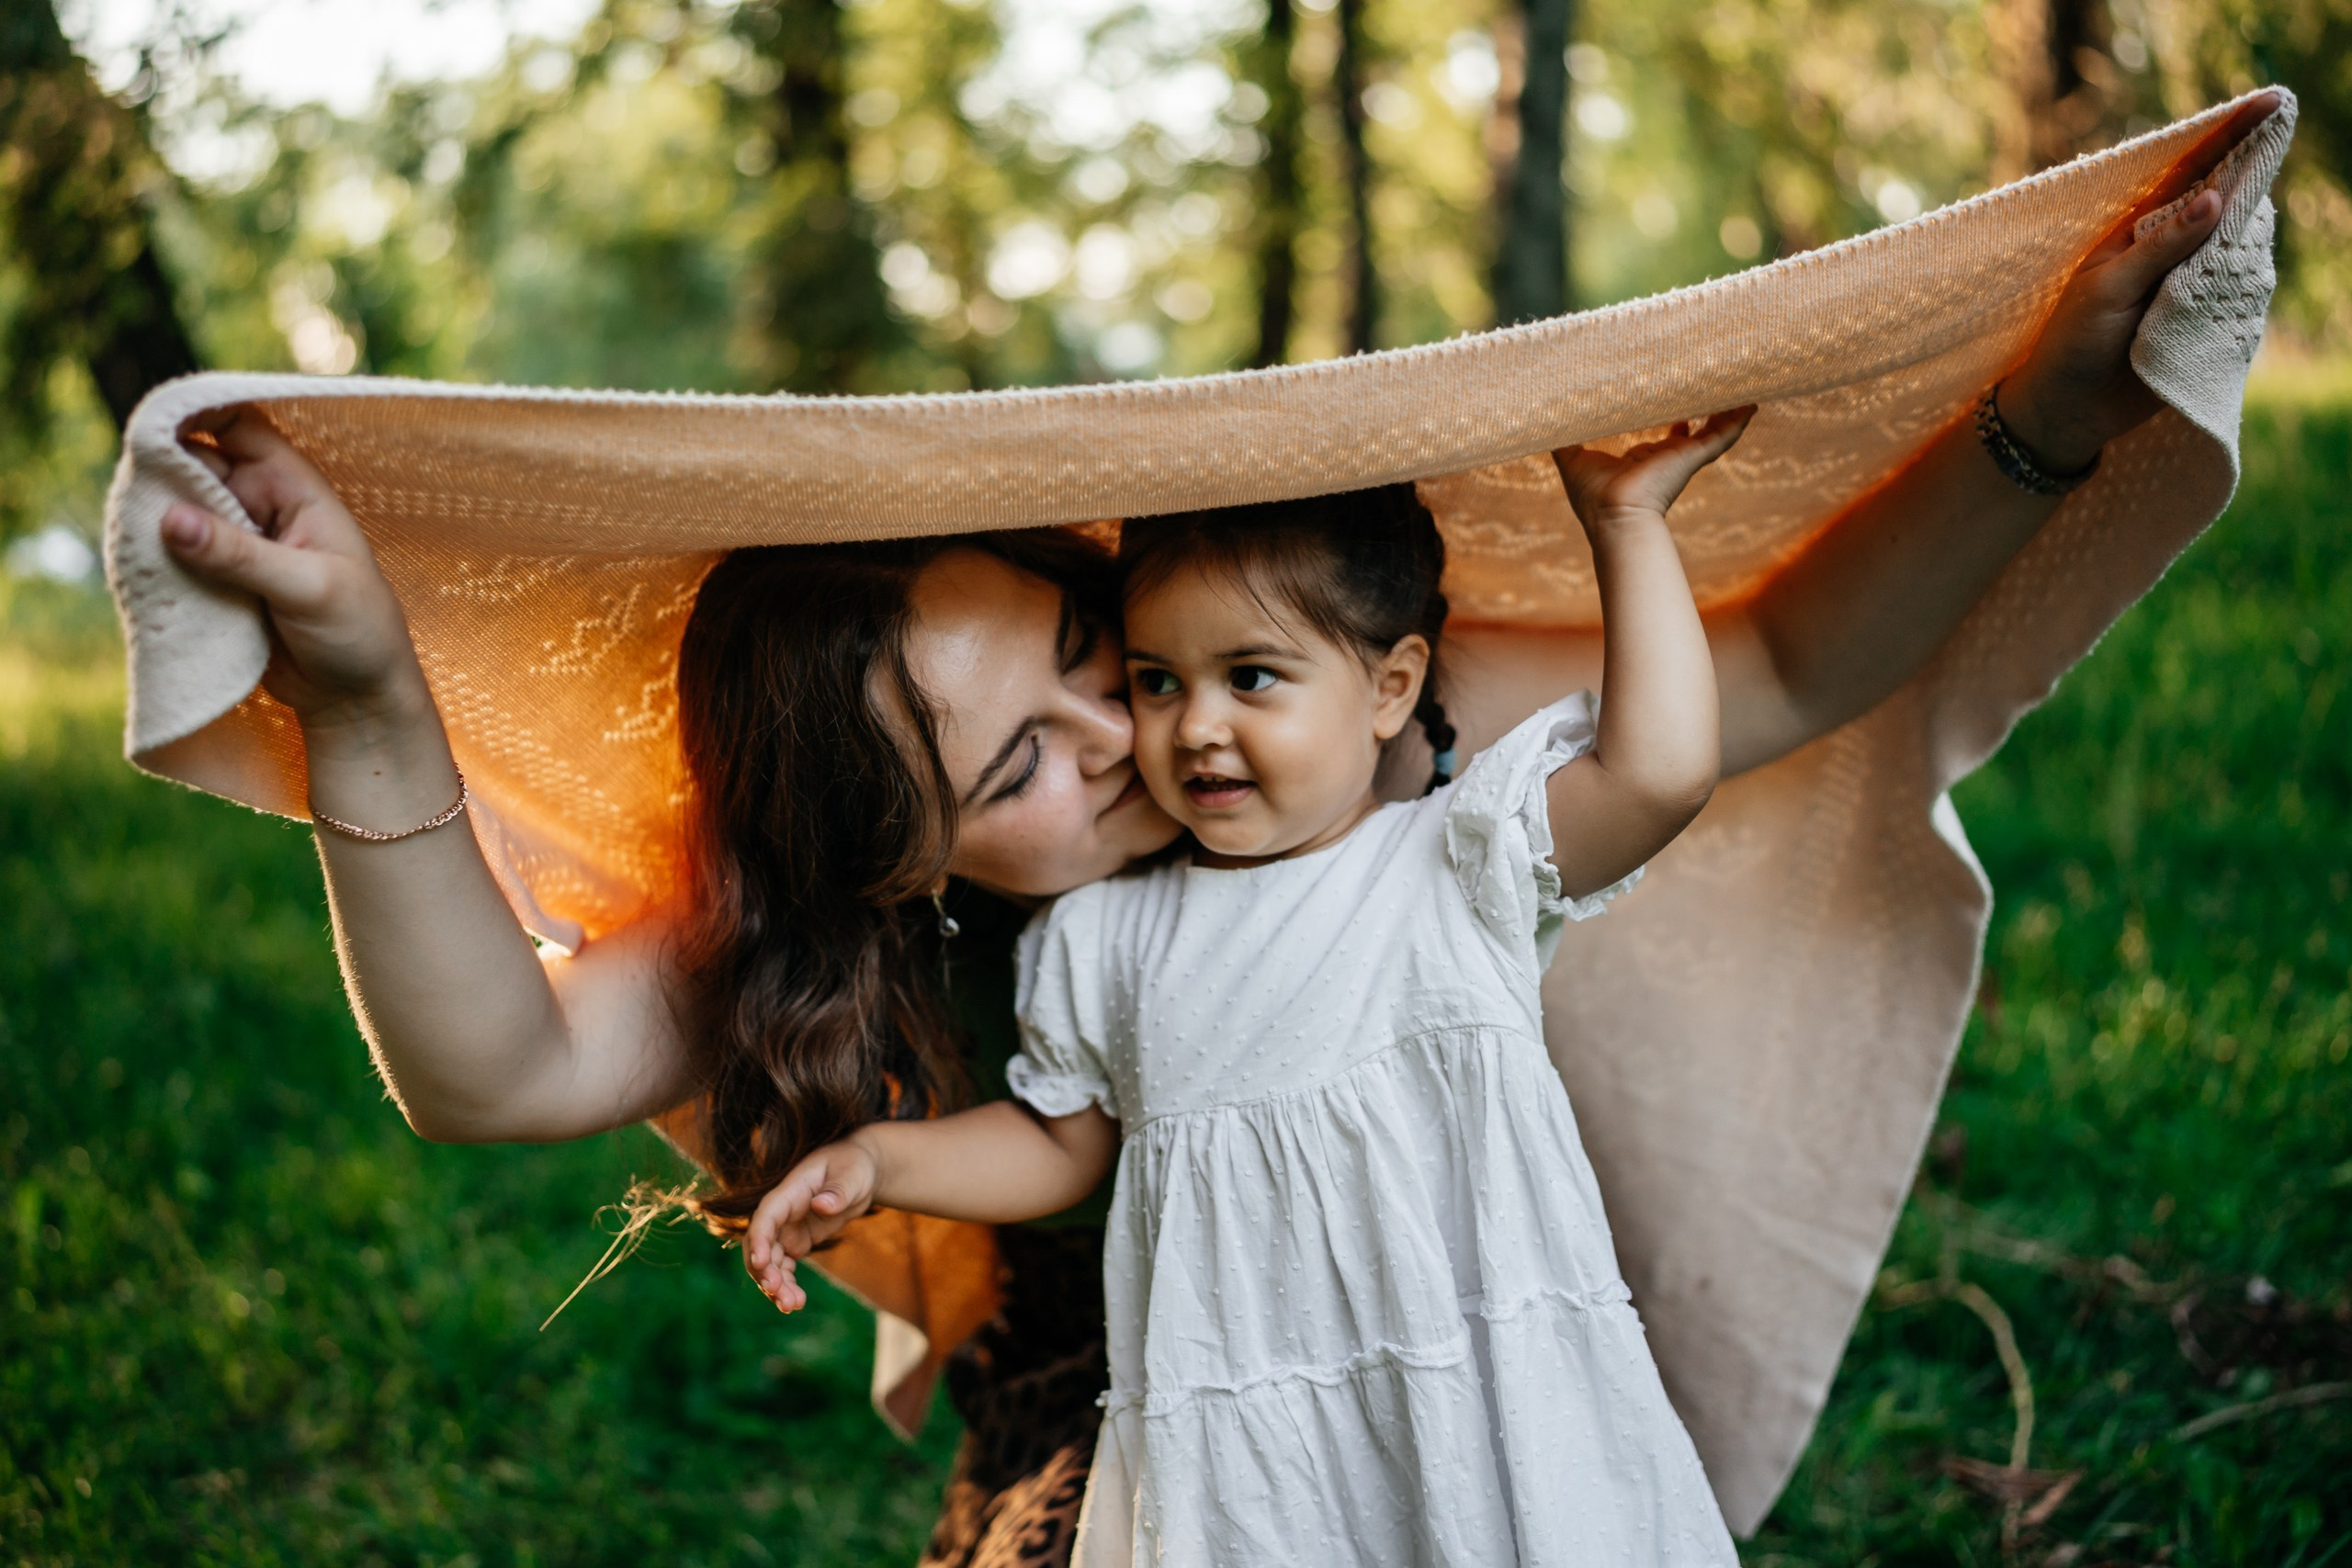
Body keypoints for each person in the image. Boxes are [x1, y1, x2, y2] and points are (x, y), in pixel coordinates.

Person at [151, 96, 2272, 1566]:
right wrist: (357, 688)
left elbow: (1773, 662)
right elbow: (490, 1065)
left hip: (1457, 1322)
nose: (1124, 732)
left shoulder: (1295, 709)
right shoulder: (908, 923)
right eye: (1013, 774)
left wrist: (2040, 413)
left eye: (1084, 640)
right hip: (1137, 1411)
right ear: (896, 866)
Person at [740, 412, 1752, 1563]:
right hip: (1243, 1423)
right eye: (1159, 679)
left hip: (1474, 1369)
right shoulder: (1103, 935)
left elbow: (1661, 775)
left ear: (1389, 690)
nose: (1194, 727)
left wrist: (1625, 524)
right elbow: (1062, 1143)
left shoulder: (1457, 863)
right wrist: (881, 1161)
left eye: (1252, 677)